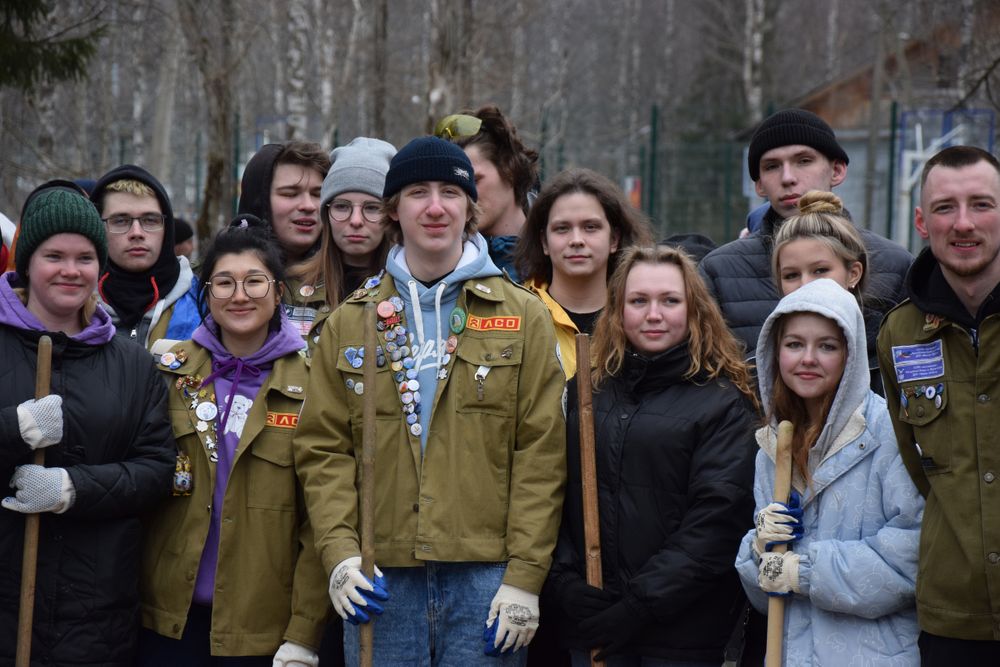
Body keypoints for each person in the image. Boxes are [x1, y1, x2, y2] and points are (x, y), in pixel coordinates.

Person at [294, 136, 566, 665]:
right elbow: (322, 452)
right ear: (394, 209)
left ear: (471, 207)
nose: (436, 206)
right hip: (379, 579)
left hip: (488, 579)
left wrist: (525, 578)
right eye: (418, 192)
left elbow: (541, 454)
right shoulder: (351, 321)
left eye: (450, 192)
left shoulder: (525, 314)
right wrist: (341, 555)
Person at [547, 245, 758, 665]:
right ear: (618, 309)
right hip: (591, 627)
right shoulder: (587, 391)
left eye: (670, 301)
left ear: (695, 309)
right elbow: (553, 492)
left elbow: (715, 521)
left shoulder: (723, 403)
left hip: (681, 635)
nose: (654, 314)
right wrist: (564, 581)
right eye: (638, 301)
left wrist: (639, 605)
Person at [137, 216, 329, 666]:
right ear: (207, 294)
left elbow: (319, 522)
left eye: (254, 282)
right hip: (166, 619)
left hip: (263, 629)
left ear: (279, 292)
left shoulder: (314, 382)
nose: (239, 296)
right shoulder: (166, 370)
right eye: (223, 283)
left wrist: (304, 632)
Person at [0, 186, 174, 666]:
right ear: (26, 263)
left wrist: (70, 488)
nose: (70, 270)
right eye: (54, 255)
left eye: (84, 257)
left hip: (96, 617)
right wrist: (13, 430)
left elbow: (156, 470)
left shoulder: (132, 364)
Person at [736, 278, 923, 664]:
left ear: (851, 354)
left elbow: (911, 557)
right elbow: (765, 595)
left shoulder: (889, 432)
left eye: (827, 346)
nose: (808, 358)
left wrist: (802, 571)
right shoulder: (773, 445)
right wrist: (760, 552)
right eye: (794, 344)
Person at [877, 145, 1000, 663]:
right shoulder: (899, 334)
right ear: (922, 222)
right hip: (955, 614)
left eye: (982, 204)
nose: (964, 223)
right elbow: (920, 464)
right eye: (946, 208)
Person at [699, 108, 912, 371]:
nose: (787, 177)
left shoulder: (894, 265)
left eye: (803, 161)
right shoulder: (720, 271)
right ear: (759, 185)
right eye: (772, 166)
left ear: (837, 170)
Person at [515, 168, 653, 378]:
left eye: (590, 227)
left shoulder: (646, 316)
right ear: (544, 241)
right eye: (562, 228)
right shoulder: (515, 314)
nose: (576, 240)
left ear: (614, 239)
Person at [771, 190, 891, 393]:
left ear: (853, 273)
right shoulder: (764, 357)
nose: (805, 284)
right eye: (791, 275)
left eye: (820, 271)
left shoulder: (890, 352)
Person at [294, 137, 396, 351]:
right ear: (326, 213)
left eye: (372, 208)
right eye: (341, 206)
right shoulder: (291, 288)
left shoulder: (410, 292)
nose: (356, 220)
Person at [90, 165, 201, 348]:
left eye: (150, 220)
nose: (137, 233)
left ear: (167, 228)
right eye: (120, 221)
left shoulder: (205, 305)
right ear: (97, 227)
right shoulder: (74, 305)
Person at [237, 141, 331, 344]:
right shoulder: (208, 282)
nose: (308, 206)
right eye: (290, 194)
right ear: (259, 201)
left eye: (318, 194)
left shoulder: (347, 281)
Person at [435, 105, 539, 281]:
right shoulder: (442, 267)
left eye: (474, 180)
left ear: (510, 169)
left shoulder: (559, 252)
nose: (464, 195)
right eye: (451, 189)